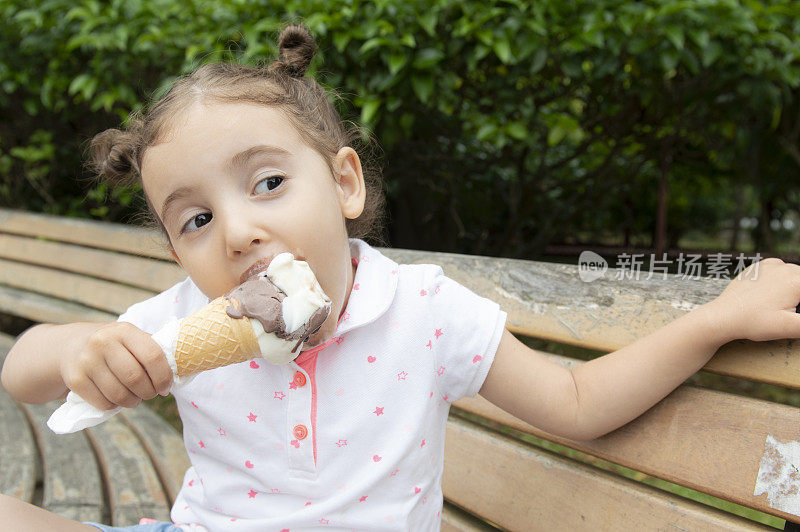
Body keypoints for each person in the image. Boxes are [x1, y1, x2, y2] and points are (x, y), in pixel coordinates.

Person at [2, 23, 800, 532]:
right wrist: (79, 349)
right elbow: (20, 371)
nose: (238, 229)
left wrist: (714, 319)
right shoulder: (178, 320)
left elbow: (578, 403)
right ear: (178, 254)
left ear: (344, 183)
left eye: (269, 183)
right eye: (197, 220)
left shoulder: (422, 311)